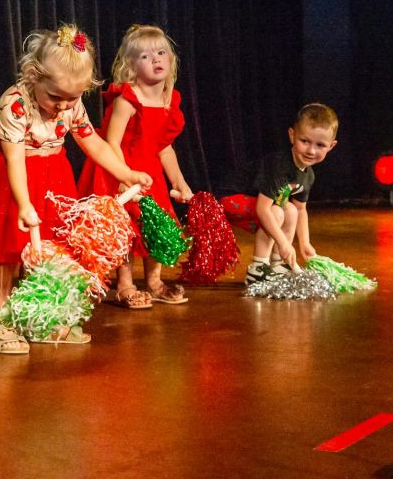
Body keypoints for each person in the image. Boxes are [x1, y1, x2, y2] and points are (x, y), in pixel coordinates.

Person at [0, 25, 152, 354]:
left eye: (73, 97)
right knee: (7, 255)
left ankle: (43, 318)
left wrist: (126, 172)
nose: (64, 106)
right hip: (12, 179)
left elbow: (92, 141)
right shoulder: (15, 104)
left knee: (51, 256)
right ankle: (2, 322)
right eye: (55, 97)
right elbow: (14, 159)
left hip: (52, 177)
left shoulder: (70, 106)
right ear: (33, 76)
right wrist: (24, 204)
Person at [77, 24, 192, 309]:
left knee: (155, 225)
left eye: (161, 52)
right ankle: (125, 285)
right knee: (125, 228)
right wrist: (123, 177)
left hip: (150, 173)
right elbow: (111, 141)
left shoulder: (169, 99)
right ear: (130, 65)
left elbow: (163, 146)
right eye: (145, 56)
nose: (156, 59)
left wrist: (179, 181)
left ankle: (154, 282)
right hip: (119, 168)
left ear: (171, 59)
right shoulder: (127, 98)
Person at [218, 103, 338, 285]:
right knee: (277, 212)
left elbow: (300, 210)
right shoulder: (279, 166)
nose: (311, 151)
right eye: (304, 141)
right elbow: (263, 209)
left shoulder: (308, 175)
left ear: (331, 146)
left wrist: (304, 243)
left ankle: (278, 266)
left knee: (289, 210)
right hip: (228, 200)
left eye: (320, 145)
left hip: (258, 204)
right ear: (292, 135)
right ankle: (258, 268)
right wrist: (284, 243)